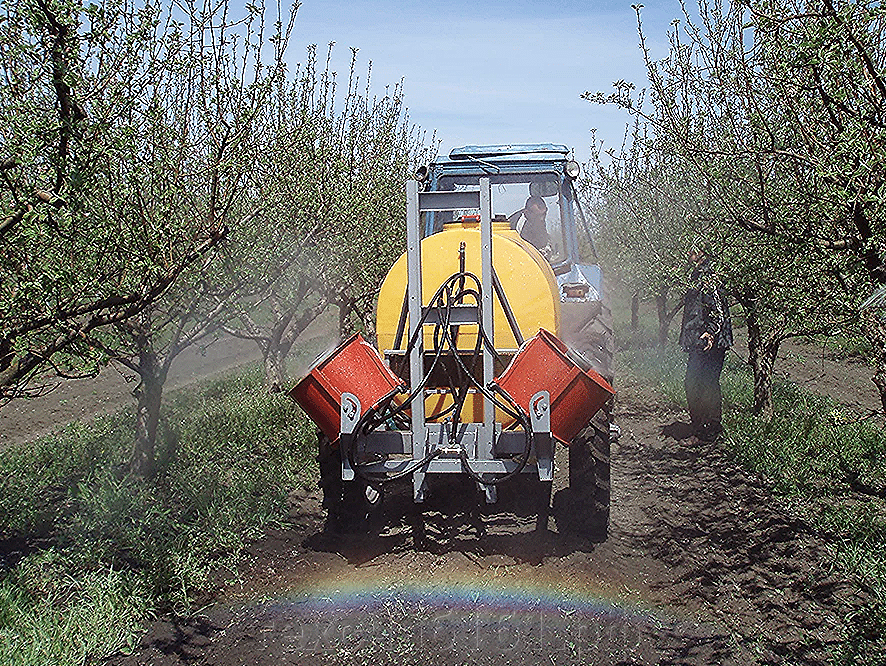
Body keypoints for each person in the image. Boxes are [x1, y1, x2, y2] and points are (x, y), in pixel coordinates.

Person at [679, 242, 733, 441]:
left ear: (702, 251)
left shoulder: (710, 275)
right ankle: (700, 425)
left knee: (707, 382)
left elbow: (718, 310)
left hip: (712, 341)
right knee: (694, 382)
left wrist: (711, 333)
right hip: (699, 339)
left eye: (692, 250)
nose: (688, 254)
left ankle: (712, 427)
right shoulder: (696, 274)